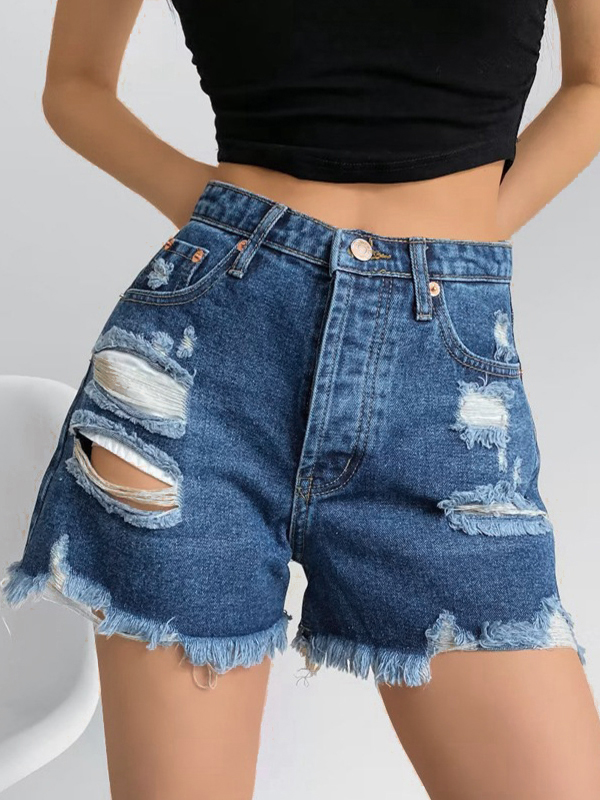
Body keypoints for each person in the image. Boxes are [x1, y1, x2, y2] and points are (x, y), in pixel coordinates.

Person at [2, 0, 600, 797]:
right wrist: (229, 221)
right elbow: (74, 87)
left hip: (447, 390)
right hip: (200, 376)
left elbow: (594, 81)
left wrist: (466, 248)